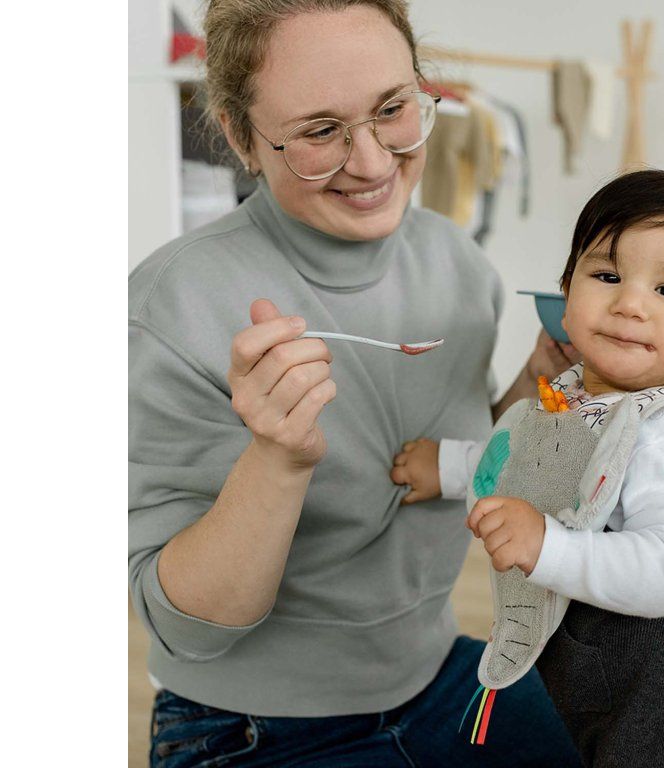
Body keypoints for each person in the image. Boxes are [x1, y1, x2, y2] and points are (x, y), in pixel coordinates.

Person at [128, 1, 583, 765]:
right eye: (319, 131)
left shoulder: (458, 264)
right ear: (240, 137)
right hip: (251, 726)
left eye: (392, 110)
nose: (372, 164)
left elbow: (468, 464)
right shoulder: (168, 308)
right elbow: (187, 629)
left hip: (436, 674)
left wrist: (538, 385)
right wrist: (277, 460)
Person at [391, 170, 664, 767]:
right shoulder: (572, 396)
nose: (630, 304)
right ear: (566, 298)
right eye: (607, 277)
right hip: (594, 681)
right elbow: (530, 458)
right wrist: (446, 466)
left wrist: (547, 546)